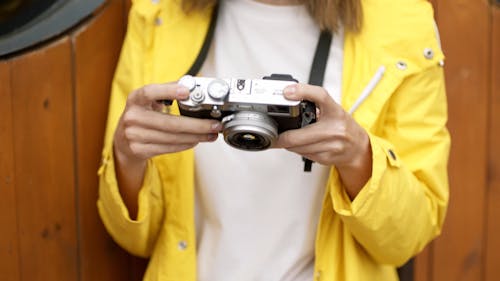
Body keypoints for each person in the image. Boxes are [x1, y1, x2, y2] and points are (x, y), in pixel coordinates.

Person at [97, 0, 450, 280]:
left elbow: (409, 236)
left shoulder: (402, 26)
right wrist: (128, 158)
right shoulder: (158, 13)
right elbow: (135, 238)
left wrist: (359, 157)